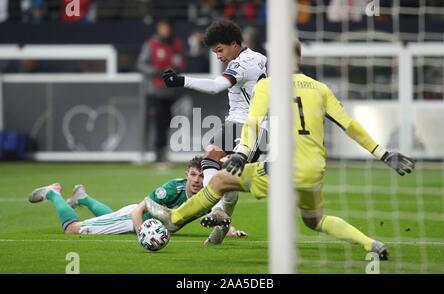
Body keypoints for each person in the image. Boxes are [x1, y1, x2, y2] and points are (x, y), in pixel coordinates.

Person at [145, 40, 416, 259]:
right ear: (300, 59)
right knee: (315, 220)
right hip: (314, 171)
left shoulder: (267, 85)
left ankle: (174, 219)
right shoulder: (320, 89)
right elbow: (350, 125)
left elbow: (251, 122)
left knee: (220, 179)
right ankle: (370, 243)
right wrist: (384, 153)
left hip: (283, 167)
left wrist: (241, 152)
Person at [162, 19, 267, 244]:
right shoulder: (258, 57)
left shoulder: (240, 64)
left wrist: (181, 80)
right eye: (214, 52)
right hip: (256, 127)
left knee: (212, 155)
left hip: (248, 125)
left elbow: (216, 86)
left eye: (220, 50)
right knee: (229, 179)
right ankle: (221, 225)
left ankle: (216, 211)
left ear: (234, 44)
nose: (218, 56)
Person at [28, 156, 246, 237]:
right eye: (193, 175)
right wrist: (143, 231)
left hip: (136, 221)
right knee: (73, 230)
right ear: (186, 175)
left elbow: (217, 213)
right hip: (135, 218)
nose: (197, 180)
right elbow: (138, 210)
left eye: (201, 175)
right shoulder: (172, 189)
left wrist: (232, 230)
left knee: (114, 217)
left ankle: (82, 197)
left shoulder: (206, 195)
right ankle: (53, 193)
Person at [137, 19, 185, 164]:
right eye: (163, 28)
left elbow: (181, 63)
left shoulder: (176, 44)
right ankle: (157, 153)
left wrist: (176, 70)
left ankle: (163, 151)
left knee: (167, 121)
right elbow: (141, 64)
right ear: (158, 29)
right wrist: (157, 71)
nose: (165, 31)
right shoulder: (151, 44)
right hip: (155, 90)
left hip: (170, 91)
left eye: (167, 28)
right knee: (157, 122)